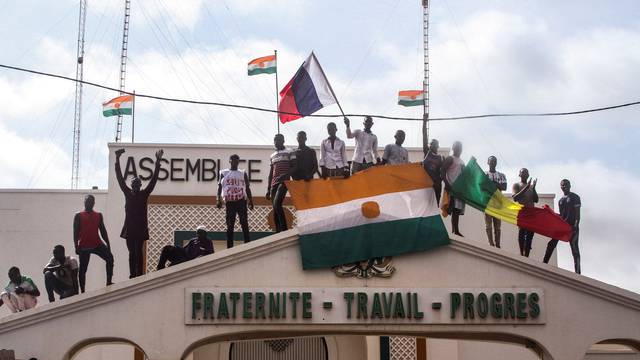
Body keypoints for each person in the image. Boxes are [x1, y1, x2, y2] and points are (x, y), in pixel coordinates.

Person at [115, 148, 164, 278]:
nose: (135, 185)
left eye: (137, 183)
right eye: (133, 183)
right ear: (131, 185)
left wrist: (158, 162)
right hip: (130, 229)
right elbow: (120, 178)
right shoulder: (127, 193)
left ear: (140, 185)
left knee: (139, 253)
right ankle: (132, 275)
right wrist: (117, 159)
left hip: (140, 229)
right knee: (132, 253)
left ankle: (140, 275)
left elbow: (153, 180)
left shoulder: (144, 194)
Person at [73, 194, 114, 292]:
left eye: (91, 202)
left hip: (97, 244)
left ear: (94, 203)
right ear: (84, 202)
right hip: (84, 246)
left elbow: (103, 231)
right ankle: (82, 290)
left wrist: (108, 243)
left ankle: (109, 282)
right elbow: (75, 232)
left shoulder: (98, 215)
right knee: (83, 270)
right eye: (87, 201)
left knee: (110, 258)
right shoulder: (78, 215)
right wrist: (76, 246)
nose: (89, 203)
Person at [543, 179, 581, 274]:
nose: (564, 187)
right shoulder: (560, 201)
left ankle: (578, 272)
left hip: (572, 227)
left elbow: (577, 214)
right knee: (551, 244)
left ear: (570, 185)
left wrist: (575, 226)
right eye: (562, 185)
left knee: (574, 249)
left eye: (566, 185)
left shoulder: (575, 197)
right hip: (562, 226)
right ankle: (544, 264)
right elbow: (562, 215)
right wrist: (550, 213)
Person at [217, 154, 254, 248]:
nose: (235, 162)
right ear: (230, 161)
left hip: (241, 200)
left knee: (244, 222)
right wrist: (218, 199)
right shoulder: (224, 173)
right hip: (230, 202)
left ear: (238, 162)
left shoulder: (243, 173)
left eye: (237, 160)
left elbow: (247, 187)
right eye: (233, 160)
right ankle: (230, 247)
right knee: (230, 224)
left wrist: (251, 200)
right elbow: (220, 187)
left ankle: (247, 244)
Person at [266, 134, 296, 233]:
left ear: (283, 140)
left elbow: (295, 167)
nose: (275, 142)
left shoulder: (290, 151)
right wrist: (268, 189)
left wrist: (286, 175)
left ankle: (284, 230)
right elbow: (271, 173)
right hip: (273, 184)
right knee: (275, 208)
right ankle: (278, 232)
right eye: (274, 140)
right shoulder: (272, 155)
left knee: (277, 203)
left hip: (284, 182)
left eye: (278, 140)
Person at [512, 168, 539, 257]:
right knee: (522, 232)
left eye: (526, 173)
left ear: (528, 175)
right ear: (519, 174)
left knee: (530, 235)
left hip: (531, 213)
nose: (524, 174)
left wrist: (533, 188)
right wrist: (526, 187)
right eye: (522, 172)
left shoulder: (531, 187)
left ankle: (526, 254)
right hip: (522, 212)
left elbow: (536, 200)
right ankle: (521, 253)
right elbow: (515, 198)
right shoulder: (516, 185)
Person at [441, 141, 466, 237]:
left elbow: (465, 175)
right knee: (454, 209)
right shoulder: (450, 159)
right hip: (452, 187)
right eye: (457, 147)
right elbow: (442, 171)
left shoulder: (462, 161)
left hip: (459, 189)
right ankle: (455, 231)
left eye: (460, 147)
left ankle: (456, 230)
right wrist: (447, 184)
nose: (458, 149)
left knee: (457, 210)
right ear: (453, 148)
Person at [485, 156, 507, 248]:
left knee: (497, 227)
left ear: (496, 163)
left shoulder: (501, 175)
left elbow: (504, 187)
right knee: (488, 225)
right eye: (491, 161)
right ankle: (491, 243)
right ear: (488, 162)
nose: (493, 163)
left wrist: (493, 184)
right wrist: (496, 185)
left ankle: (498, 244)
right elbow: (482, 186)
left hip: (498, 203)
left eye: (494, 161)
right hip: (488, 202)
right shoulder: (485, 174)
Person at [422, 139, 444, 205]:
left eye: (434, 144)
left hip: (436, 185)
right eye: (431, 144)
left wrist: (439, 180)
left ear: (437, 146)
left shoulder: (440, 157)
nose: (432, 146)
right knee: (426, 204)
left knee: (435, 204)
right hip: (427, 184)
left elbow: (443, 171)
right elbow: (424, 139)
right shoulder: (427, 153)